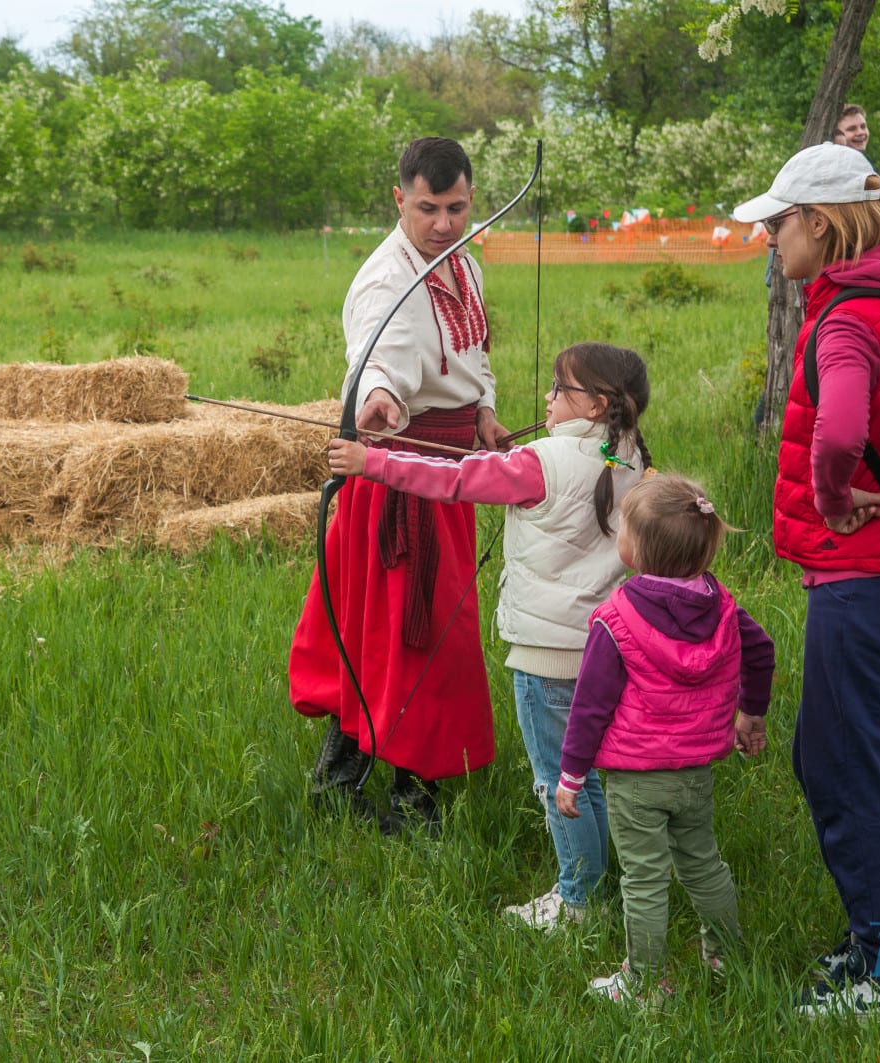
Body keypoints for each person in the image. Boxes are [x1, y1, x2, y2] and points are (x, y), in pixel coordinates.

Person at [731, 142, 880, 1017]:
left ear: (819, 225)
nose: (769, 240)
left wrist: (832, 496)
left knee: (844, 766)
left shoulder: (851, 317)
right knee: (838, 756)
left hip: (867, 575)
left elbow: (839, 430)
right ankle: (872, 940)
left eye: (777, 224)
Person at [328, 342, 650, 923]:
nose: (548, 397)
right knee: (587, 775)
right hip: (604, 651)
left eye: (561, 389)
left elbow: (453, 479)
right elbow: (559, 476)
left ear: (598, 404)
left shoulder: (540, 465)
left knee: (557, 781)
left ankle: (576, 899)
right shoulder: (628, 455)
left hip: (546, 659)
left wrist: (369, 462)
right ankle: (598, 883)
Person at [290, 136, 509, 834]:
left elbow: (471, 356)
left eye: (457, 207)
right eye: (428, 208)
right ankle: (406, 806)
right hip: (397, 477)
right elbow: (374, 359)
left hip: (448, 474)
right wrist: (377, 400)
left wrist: (483, 411)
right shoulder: (387, 279)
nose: (444, 223)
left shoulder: (464, 263)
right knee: (407, 640)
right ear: (398, 200)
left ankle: (345, 783)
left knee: (403, 637)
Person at [553, 475, 773, 1007]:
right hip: (695, 772)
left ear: (636, 551)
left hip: (634, 781)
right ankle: (726, 955)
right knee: (703, 862)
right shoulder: (721, 606)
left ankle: (646, 984)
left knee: (645, 879)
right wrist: (751, 715)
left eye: (624, 527)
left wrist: (570, 776)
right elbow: (761, 650)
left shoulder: (616, 620)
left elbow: (589, 706)